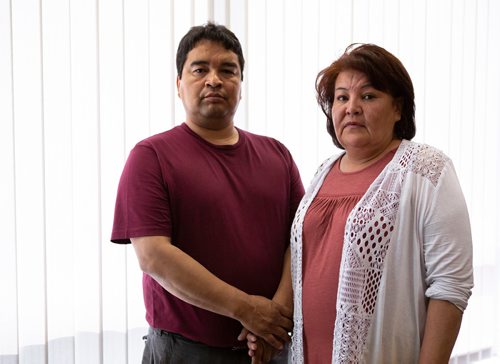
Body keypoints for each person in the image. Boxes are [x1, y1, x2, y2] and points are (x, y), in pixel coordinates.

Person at [111, 22, 304, 364]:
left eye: (227, 70)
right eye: (200, 69)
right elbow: (154, 256)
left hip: (268, 348)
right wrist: (247, 310)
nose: (214, 79)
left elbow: (301, 241)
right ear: (179, 84)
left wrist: (273, 318)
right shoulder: (151, 156)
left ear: (240, 86)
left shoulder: (278, 155)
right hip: (185, 351)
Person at [285, 44, 473, 363]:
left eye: (368, 96)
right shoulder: (322, 172)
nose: (352, 107)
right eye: (342, 97)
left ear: (398, 108)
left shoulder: (425, 169)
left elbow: (450, 286)